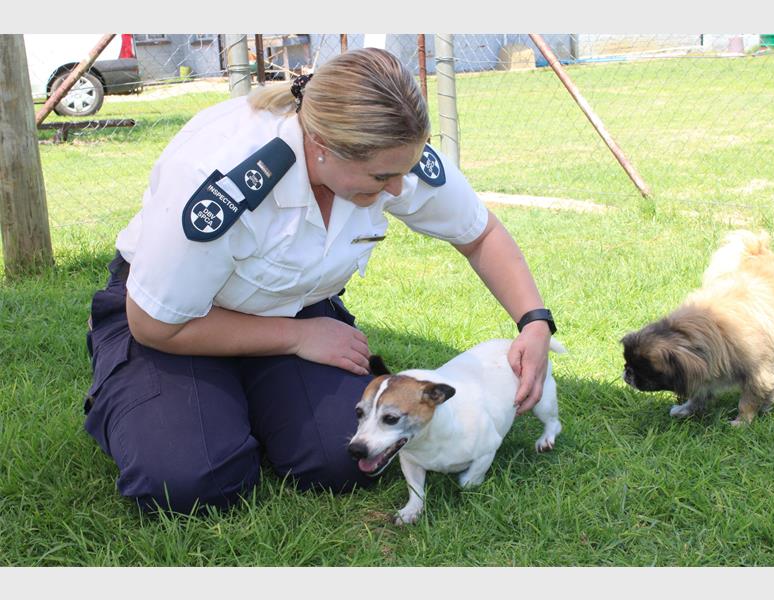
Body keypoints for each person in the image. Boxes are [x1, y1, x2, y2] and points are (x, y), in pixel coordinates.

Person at [84, 47, 557, 515]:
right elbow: (153, 324)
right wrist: (298, 336)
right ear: (321, 147)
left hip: (292, 306)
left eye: (403, 172)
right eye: (381, 177)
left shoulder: (390, 147)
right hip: (177, 322)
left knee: (348, 459)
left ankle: (245, 398)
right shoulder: (223, 173)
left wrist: (534, 323)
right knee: (187, 482)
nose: (397, 189)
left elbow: (480, 233)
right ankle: (165, 395)